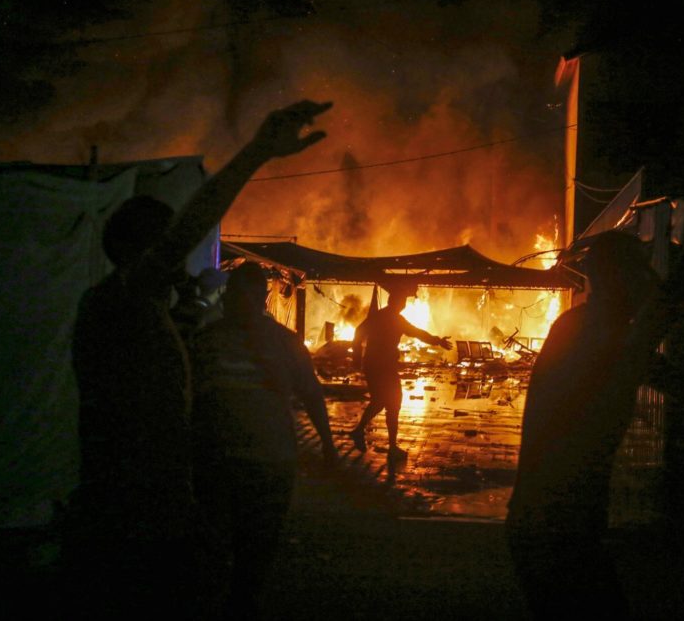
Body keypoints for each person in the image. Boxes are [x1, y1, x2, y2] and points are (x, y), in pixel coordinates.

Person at [67, 99, 331, 618]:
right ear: (134, 249)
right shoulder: (117, 301)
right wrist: (255, 154)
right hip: (129, 509)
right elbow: (186, 233)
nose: (176, 260)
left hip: (153, 501)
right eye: (163, 248)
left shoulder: (138, 311)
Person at [506, 231, 665, 620]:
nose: (647, 282)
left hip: (550, 522)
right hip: (555, 527)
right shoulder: (602, 334)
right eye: (639, 272)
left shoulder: (583, 326)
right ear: (619, 279)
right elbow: (662, 311)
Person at [189, 261, 336, 618]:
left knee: (223, 546)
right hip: (263, 461)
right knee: (253, 548)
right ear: (265, 299)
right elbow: (312, 395)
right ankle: (238, 602)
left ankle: (228, 602)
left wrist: (330, 446)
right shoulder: (281, 342)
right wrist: (328, 447)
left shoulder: (208, 340)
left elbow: (188, 397)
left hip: (224, 461)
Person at [347, 282, 452, 461]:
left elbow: (359, 331)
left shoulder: (379, 316)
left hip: (373, 365)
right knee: (392, 403)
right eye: (402, 301)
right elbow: (417, 333)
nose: (404, 304)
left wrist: (358, 357)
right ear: (397, 303)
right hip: (384, 366)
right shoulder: (395, 319)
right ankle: (391, 446)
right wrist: (437, 341)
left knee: (381, 401)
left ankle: (360, 432)